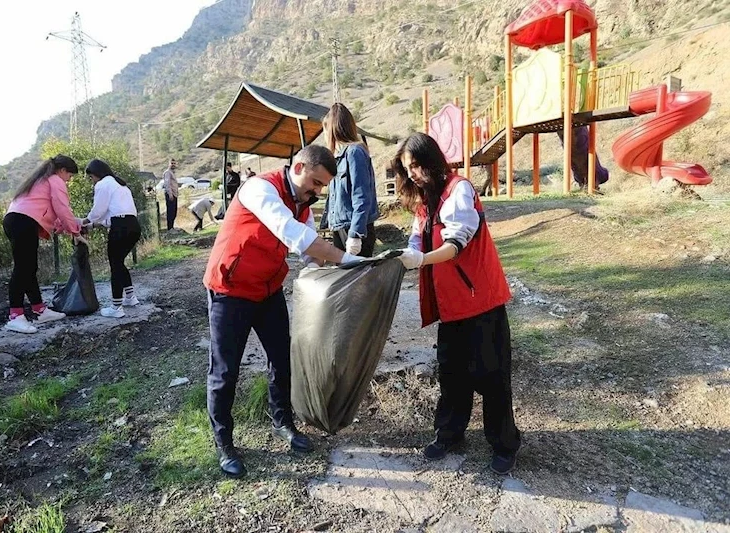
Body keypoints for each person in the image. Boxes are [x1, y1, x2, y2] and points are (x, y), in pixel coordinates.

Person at [203, 145, 364, 478]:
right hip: (230, 288)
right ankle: (224, 442)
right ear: (299, 166)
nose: (317, 191)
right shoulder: (259, 188)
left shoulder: (302, 202)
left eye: (322, 187)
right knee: (225, 371)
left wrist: (326, 266)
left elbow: (308, 253)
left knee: (282, 358)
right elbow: (295, 236)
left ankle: (283, 423)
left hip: (266, 289)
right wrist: (348, 260)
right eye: (316, 183)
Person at [392, 132, 521, 475]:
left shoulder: (459, 190)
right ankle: (449, 433)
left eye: (417, 165)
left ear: (432, 160)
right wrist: (399, 259)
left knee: (493, 375)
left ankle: (504, 444)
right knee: (451, 374)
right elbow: (417, 240)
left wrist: (419, 261)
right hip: (452, 306)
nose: (414, 174)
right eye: (408, 170)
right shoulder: (425, 202)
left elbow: (455, 244)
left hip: (481, 301)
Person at [2, 155, 85, 334]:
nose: (69, 180)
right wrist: (75, 232)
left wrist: (69, 227)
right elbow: (62, 208)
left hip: (17, 220)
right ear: (62, 171)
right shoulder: (55, 180)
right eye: (69, 176)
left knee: (29, 267)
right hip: (22, 222)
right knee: (23, 268)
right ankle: (15, 316)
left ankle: (39, 310)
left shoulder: (41, 180)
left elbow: (51, 214)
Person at [81, 159, 141, 318]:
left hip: (120, 228)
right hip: (133, 225)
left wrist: (85, 221)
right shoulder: (120, 184)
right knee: (119, 263)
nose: (92, 181)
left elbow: (98, 211)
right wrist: (93, 224)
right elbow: (111, 215)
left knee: (115, 265)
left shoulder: (102, 184)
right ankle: (130, 297)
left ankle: (116, 307)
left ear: (96, 174)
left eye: (91, 177)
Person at [322, 103, 380, 257]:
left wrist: (355, 234)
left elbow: (361, 196)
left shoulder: (355, 153)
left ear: (332, 129)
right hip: (340, 228)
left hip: (354, 229)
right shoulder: (338, 157)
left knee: (357, 279)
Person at [162, 159, 178, 231]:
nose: (173, 164)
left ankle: (172, 227)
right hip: (170, 194)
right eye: (172, 163)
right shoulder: (167, 173)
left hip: (174, 194)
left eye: (174, 163)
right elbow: (167, 184)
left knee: (174, 212)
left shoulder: (172, 173)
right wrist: (170, 194)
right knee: (170, 211)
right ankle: (170, 228)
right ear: (169, 164)